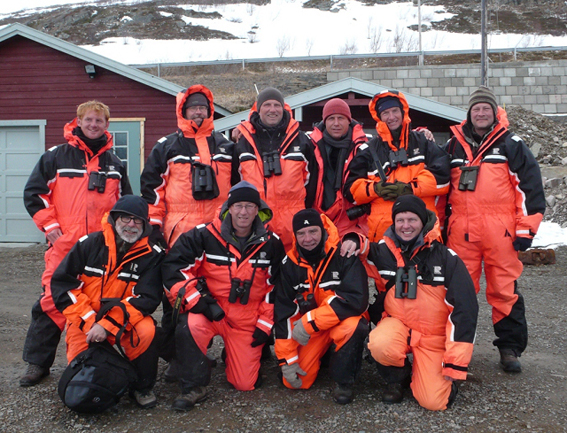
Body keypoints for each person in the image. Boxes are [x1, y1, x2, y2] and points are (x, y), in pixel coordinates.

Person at [20, 100, 132, 387]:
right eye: (89, 120)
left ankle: (92, 359)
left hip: (100, 249)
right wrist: (51, 226)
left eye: (100, 121)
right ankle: (38, 363)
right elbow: (35, 194)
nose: (94, 125)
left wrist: (120, 241)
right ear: (79, 121)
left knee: (95, 301)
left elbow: (126, 207)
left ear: (107, 125)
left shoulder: (116, 164)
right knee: (52, 301)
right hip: (64, 246)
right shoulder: (56, 157)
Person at [442, 86, 546, 373]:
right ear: (469, 113)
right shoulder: (453, 145)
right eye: (476, 109)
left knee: (504, 291)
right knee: (458, 293)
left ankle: (510, 349)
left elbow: (530, 189)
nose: (481, 112)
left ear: (494, 111)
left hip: (501, 233)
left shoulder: (511, 143)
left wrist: (526, 230)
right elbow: (441, 190)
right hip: (461, 233)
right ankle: (456, 348)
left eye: (486, 108)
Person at [162, 181, 285, 411]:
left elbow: (276, 288)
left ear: (258, 209)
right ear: (229, 207)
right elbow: (174, 269)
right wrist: (197, 300)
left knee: (244, 384)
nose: (244, 212)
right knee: (189, 325)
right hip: (211, 310)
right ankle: (193, 386)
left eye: (250, 206)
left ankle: (234, 353)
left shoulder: (272, 244)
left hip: (247, 318)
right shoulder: (202, 236)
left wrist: (265, 324)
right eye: (238, 206)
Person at [140, 84, 237, 366]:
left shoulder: (227, 145)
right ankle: (176, 357)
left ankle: (231, 349)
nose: (198, 112)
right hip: (180, 232)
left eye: (203, 108)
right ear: (183, 110)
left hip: (218, 233)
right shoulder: (166, 146)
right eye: (193, 107)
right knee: (178, 294)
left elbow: (238, 189)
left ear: (210, 111)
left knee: (221, 291)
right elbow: (152, 191)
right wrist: (155, 228)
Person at [364, 195, 478, 411]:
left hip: (434, 338)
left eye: (412, 220)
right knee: (379, 343)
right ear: (394, 223)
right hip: (399, 327)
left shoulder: (447, 258)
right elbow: (360, 252)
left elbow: (466, 309)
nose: (405, 226)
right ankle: (398, 378)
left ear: (423, 221)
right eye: (400, 220)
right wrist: (352, 239)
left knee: (433, 402)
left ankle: (441, 378)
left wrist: (456, 361)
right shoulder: (384, 251)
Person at [51, 195, 165, 408]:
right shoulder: (89, 244)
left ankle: (142, 386)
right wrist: (90, 321)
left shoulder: (152, 254)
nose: (131, 225)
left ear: (145, 224)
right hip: (86, 321)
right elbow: (63, 287)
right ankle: (114, 375)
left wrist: (107, 325)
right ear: (114, 219)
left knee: (148, 331)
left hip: (124, 321)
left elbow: (146, 299)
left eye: (137, 220)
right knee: (83, 382)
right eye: (125, 218)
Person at [274, 208, 369, 404]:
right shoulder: (289, 264)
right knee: (296, 381)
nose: (308, 238)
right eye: (301, 233)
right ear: (295, 236)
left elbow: (356, 299)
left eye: (313, 231)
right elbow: (284, 313)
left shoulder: (343, 253)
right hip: (311, 330)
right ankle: (324, 356)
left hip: (334, 323)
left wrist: (310, 320)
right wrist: (287, 359)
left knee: (355, 326)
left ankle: (344, 382)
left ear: (323, 231)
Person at [344, 89, 450, 244]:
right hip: (383, 235)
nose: (391, 117)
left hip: (424, 232)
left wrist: (410, 188)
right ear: (379, 117)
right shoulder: (367, 151)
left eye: (395, 111)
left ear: (403, 112)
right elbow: (351, 191)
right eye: (386, 113)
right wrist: (376, 189)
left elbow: (443, 177)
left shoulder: (423, 142)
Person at [234, 87, 315, 251]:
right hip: (255, 224)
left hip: (293, 226)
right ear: (258, 108)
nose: (272, 110)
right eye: (267, 105)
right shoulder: (243, 142)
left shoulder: (302, 141)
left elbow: (314, 184)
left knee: (293, 274)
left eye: (277, 105)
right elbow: (234, 184)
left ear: (284, 108)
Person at [310, 98, 369, 239]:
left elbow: (390, 143)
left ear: (349, 120)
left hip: (352, 223)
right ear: (324, 121)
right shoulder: (310, 145)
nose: (336, 123)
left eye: (341, 118)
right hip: (319, 221)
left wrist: (421, 132)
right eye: (331, 119)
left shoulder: (365, 147)